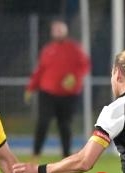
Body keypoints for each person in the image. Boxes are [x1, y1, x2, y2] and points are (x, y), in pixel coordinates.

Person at [25, 18, 91, 159]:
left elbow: (85, 65)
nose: (58, 32)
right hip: (47, 93)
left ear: (66, 31)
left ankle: (66, 155)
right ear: (52, 32)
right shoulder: (47, 49)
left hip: (68, 95)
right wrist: (31, 88)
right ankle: (36, 153)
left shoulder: (75, 48)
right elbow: (40, 70)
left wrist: (75, 77)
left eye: (60, 29)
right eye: (55, 29)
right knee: (43, 122)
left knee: (65, 125)